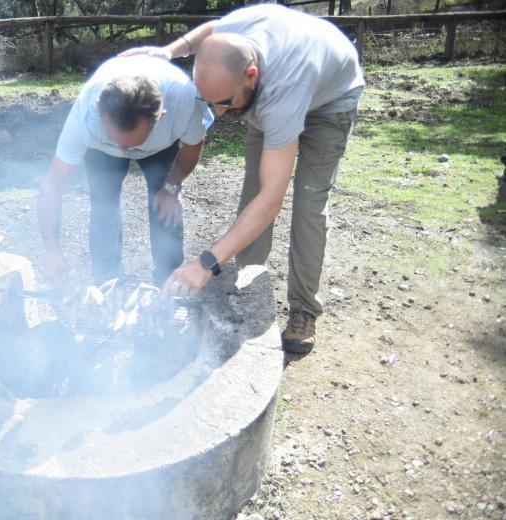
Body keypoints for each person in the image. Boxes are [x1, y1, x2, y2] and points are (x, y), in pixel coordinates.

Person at [122, 4, 364, 354]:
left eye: (224, 102)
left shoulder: (282, 92)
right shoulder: (235, 31)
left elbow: (271, 200)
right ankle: (249, 285)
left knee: (307, 206)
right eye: (208, 102)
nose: (218, 113)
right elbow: (213, 29)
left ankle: (304, 309)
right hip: (275, 84)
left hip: (330, 101)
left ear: (251, 75)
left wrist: (206, 263)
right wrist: (170, 50)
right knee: (251, 192)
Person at [38, 55, 213, 286]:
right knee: (103, 206)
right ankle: (106, 278)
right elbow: (52, 186)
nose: (126, 151)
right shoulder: (85, 118)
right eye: (118, 141)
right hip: (101, 150)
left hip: (160, 147)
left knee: (166, 206)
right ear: (102, 115)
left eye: (131, 142)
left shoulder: (184, 102)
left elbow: (193, 145)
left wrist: (172, 187)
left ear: (160, 118)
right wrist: (52, 251)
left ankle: (169, 278)